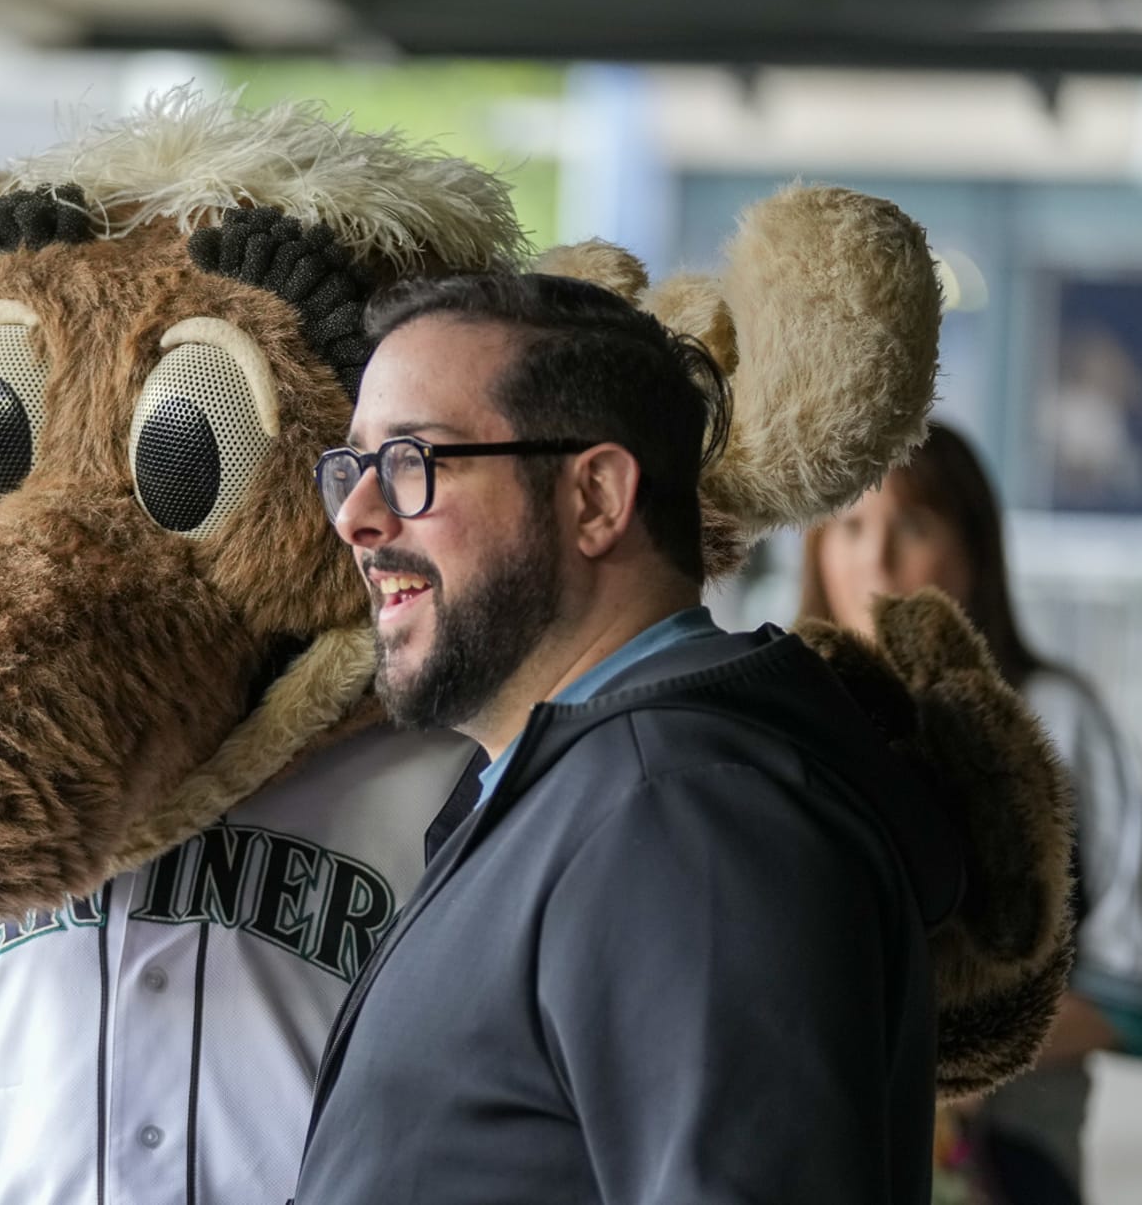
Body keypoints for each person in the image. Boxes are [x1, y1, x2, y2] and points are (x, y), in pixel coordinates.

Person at [292, 273, 971, 1204]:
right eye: (353, 466)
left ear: (597, 498)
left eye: (413, 460)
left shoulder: (681, 817)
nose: (356, 516)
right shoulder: (605, 791)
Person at [801, 420, 1142, 1204]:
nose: (876, 559)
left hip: (1008, 1164)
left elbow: (1141, 990)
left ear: (974, 550)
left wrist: (953, 1061)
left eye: (914, 525)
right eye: (849, 526)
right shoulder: (782, 723)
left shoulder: (1057, 722)